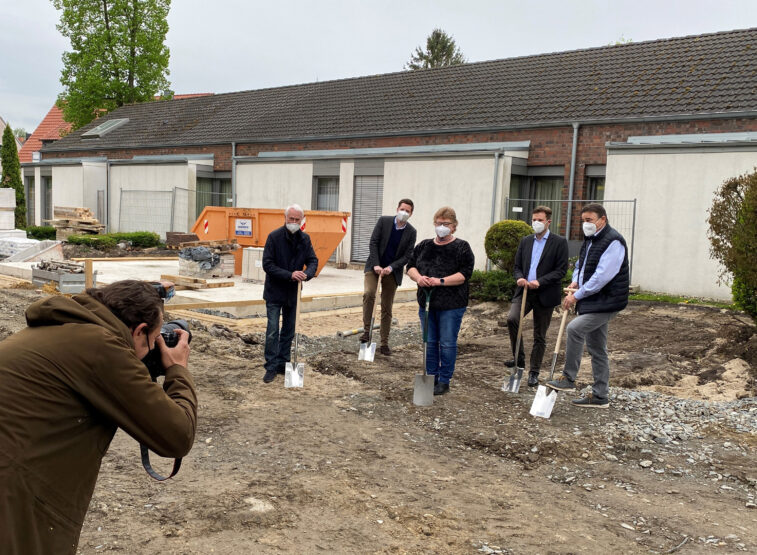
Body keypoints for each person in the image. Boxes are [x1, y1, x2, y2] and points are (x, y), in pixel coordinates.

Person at [0, 280, 196, 554]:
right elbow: (177, 436)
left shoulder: (56, 328)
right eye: (153, 341)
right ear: (139, 330)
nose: (152, 350)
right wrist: (177, 370)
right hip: (13, 498)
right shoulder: (101, 347)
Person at [546, 203, 630, 408]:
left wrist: (577, 296)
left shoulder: (613, 242)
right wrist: (575, 281)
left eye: (589, 220)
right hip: (594, 300)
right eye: (583, 221)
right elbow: (580, 265)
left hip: (607, 301)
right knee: (597, 348)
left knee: (574, 328)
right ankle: (600, 395)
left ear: (603, 220)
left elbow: (602, 276)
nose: (586, 224)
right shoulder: (591, 239)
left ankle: (568, 378)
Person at [407, 206, 475, 395]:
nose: (441, 227)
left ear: (454, 227)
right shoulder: (424, 245)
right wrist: (419, 278)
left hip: (451, 305)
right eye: (438, 223)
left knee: (447, 343)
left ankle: (444, 380)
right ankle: (431, 376)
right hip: (427, 302)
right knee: (429, 342)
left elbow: (464, 274)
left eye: (446, 224)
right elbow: (410, 266)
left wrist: (440, 281)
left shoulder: (462, 247)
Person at [506, 205, 569, 387]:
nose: (536, 223)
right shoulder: (526, 241)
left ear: (548, 221)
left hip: (545, 293)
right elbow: (517, 265)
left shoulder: (559, 242)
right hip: (524, 290)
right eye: (534, 219)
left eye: (540, 220)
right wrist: (519, 278)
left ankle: (534, 372)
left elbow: (561, 270)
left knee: (539, 335)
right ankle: (519, 360)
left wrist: (540, 281)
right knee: (512, 319)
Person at [262, 203, 319, 383]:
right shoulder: (274, 237)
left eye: (297, 219)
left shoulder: (305, 239)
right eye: (291, 219)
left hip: (293, 294)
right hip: (275, 291)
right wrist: (289, 274)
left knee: (289, 330)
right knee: (272, 330)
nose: (293, 222)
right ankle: (270, 366)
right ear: (285, 218)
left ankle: (283, 362)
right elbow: (268, 264)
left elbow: (313, 260)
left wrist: (307, 274)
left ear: (302, 220)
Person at [361, 198, 418, 355]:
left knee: (387, 306)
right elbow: (373, 243)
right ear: (397, 208)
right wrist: (377, 265)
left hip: (392, 271)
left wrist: (391, 268)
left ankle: (384, 342)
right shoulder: (383, 221)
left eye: (408, 211)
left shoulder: (411, 232)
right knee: (369, 294)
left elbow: (407, 255)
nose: (404, 213)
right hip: (374, 267)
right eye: (402, 209)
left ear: (411, 213)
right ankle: (367, 332)